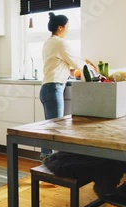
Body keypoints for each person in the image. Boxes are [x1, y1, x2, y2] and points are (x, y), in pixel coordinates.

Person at [39, 12, 93, 159]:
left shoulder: (49, 42)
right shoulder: (60, 43)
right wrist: (88, 64)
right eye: (67, 27)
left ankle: (46, 160)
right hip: (53, 88)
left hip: (47, 88)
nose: (68, 30)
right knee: (55, 128)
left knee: (50, 127)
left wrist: (69, 68)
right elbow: (75, 61)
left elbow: (58, 63)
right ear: (60, 27)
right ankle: (51, 163)